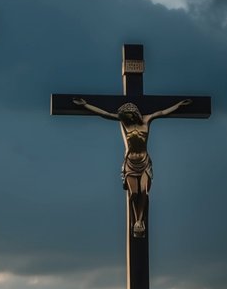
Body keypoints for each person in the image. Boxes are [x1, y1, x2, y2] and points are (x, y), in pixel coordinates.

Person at [71, 98, 192, 238]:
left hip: (144, 162)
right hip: (130, 163)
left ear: (134, 113)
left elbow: (163, 112)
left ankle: (140, 221)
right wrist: (86, 105)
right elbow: (105, 114)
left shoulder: (147, 119)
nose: (126, 118)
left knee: (144, 191)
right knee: (134, 193)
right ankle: (135, 220)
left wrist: (178, 105)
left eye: (128, 116)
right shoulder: (124, 122)